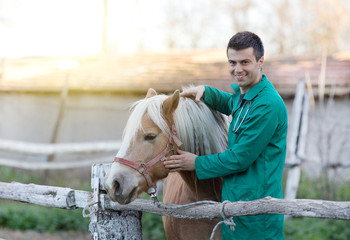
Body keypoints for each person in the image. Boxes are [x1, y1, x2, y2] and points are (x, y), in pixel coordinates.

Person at [164, 31, 287, 240]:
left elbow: (239, 158)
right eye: (232, 62)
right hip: (235, 207)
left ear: (260, 61)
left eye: (245, 62)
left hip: (256, 214)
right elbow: (231, 104)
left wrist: (197, 163)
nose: (237, 69)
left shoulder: (267, 105)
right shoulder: (246, 97)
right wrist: (207, 91)